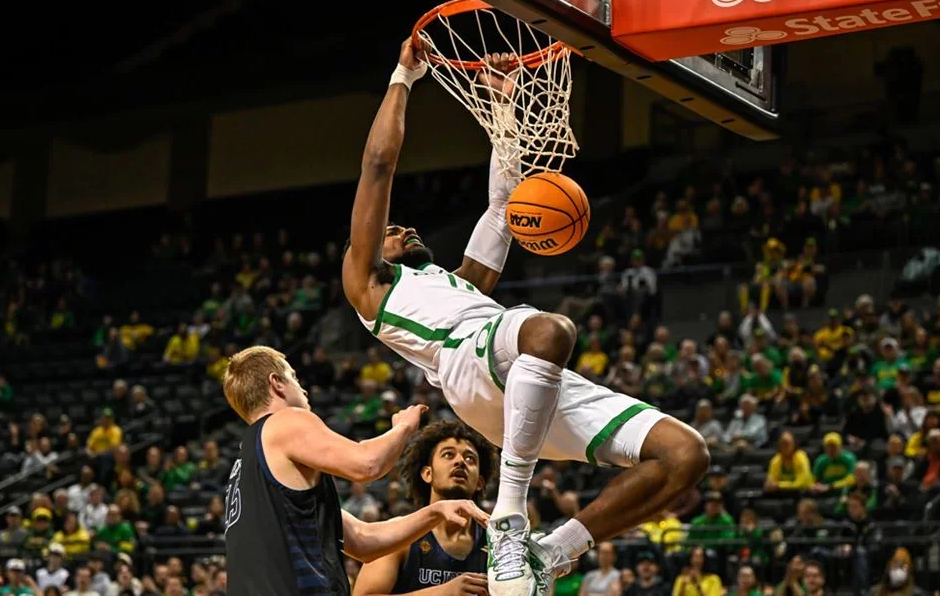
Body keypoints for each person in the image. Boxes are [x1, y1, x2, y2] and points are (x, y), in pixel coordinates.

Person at [342, 39, 709, 595]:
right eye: (393, 232)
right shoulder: (370, 282)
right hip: (467, 362)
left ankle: (550, 554)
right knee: (551, 329)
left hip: (519, 376)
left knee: (684, 454)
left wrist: (503, 105)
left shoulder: (461, 282)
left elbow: (502, 206)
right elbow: (377, 165)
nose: (405, 229)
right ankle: (510, 515)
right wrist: (403, 76)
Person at [221, 346, 488, 595]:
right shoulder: (285, 421)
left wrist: (435, 512)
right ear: (276, 383)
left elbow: (363, 541)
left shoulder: (249, 464)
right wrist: (403, 428)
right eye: (294, 378)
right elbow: (367, 464)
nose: (303, 389)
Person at [353, 420, 496, 595]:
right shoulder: (398, 535)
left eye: (470, 458)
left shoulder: (496, 543)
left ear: (480, 482)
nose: (460, 461)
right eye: (448, 455)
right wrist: (442, 593)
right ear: (428, 474)